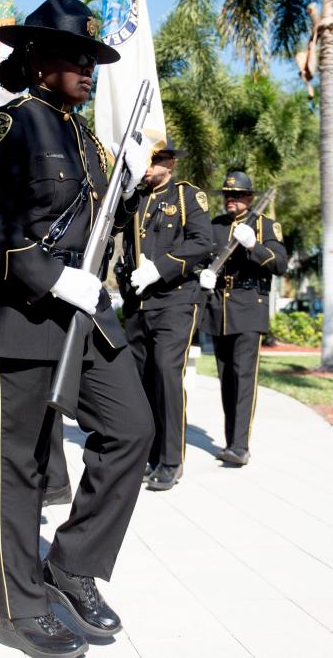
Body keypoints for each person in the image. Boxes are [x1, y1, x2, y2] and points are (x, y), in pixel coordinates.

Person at [0, 0, 154, 657]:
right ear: (38, 60)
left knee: (134, 428)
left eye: (92, 59)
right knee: (24, 466)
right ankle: (20, 609)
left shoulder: (89, 138)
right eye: (75, 57)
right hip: (24, 312)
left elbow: (98, 227)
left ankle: (70, 566)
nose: (87, 68)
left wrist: (127, 189)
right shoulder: (13, 125)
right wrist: (48, 274)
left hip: (89, 312)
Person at [118, 145, 214, 491]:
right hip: (139, 303)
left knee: (165, 373)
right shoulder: (136, 198)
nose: (146, 166)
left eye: (152, 160)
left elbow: (203, 242)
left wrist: (160, 268)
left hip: (175, 300)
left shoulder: (187, 196)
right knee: (141, 378)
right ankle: (151, 454)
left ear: (169, 164)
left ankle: (171, 460)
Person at [198, 172, 287, 466]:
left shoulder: (265, 226)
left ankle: (240, 446)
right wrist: (204, 274)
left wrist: (253, 246)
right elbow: (204, 258)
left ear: (249, 198)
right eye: (227, 196)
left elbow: (280, 264)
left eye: (237, 196)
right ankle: (230, 441)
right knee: (227, 380)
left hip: (249, 307)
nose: (231, 201)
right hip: (220, 311)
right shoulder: (216, 227)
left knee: (244, 378)